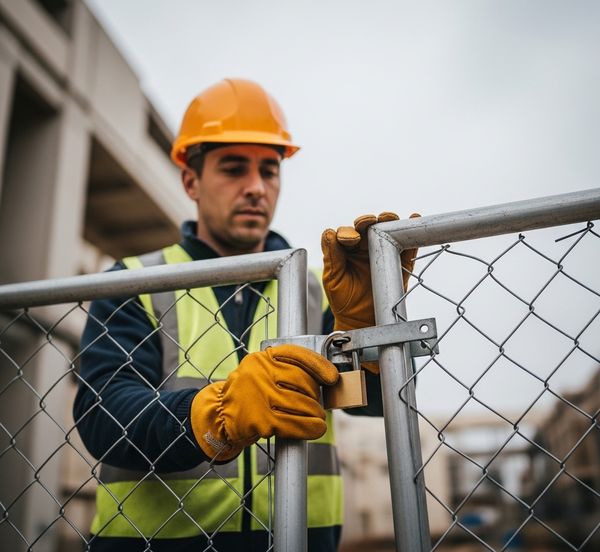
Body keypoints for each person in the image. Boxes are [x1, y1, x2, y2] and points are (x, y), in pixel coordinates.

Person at [74, 78, 417, 552]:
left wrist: (368, 336)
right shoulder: (136, 280)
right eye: (234, 169)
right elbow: (102, 415)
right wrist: (216, 414)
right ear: (191, 181)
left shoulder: (315, 292)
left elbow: (377, 402)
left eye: (269, 171)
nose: (256, 188)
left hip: (298, 540)